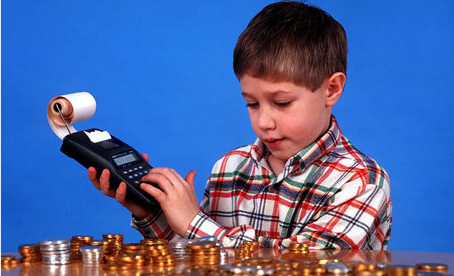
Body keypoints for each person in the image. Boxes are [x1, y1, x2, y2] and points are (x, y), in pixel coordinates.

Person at [89, 1, 392, 250]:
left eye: (282, 103)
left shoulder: (361, 182)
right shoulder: (230, 168)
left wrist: (194, 222)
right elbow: (201, 255)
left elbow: (305, 266)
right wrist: (155, 213)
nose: (264, 122)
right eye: (252, 103)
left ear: (332, 89)